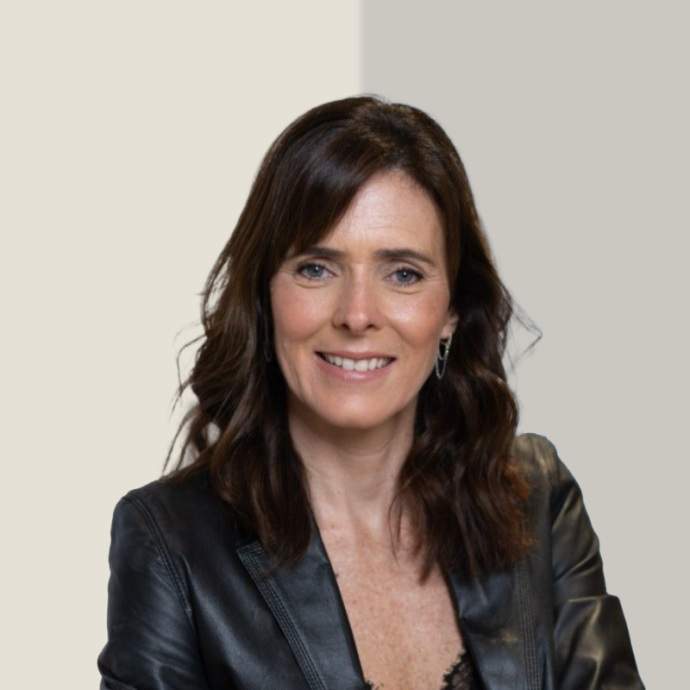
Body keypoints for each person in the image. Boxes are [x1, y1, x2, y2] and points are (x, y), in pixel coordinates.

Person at [98, 96, 644, 690]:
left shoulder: (539, 498)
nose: (358, 315)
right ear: (263, 296)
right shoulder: (169, 543)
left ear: (453, 311)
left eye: (403, 274)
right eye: (316, 268)